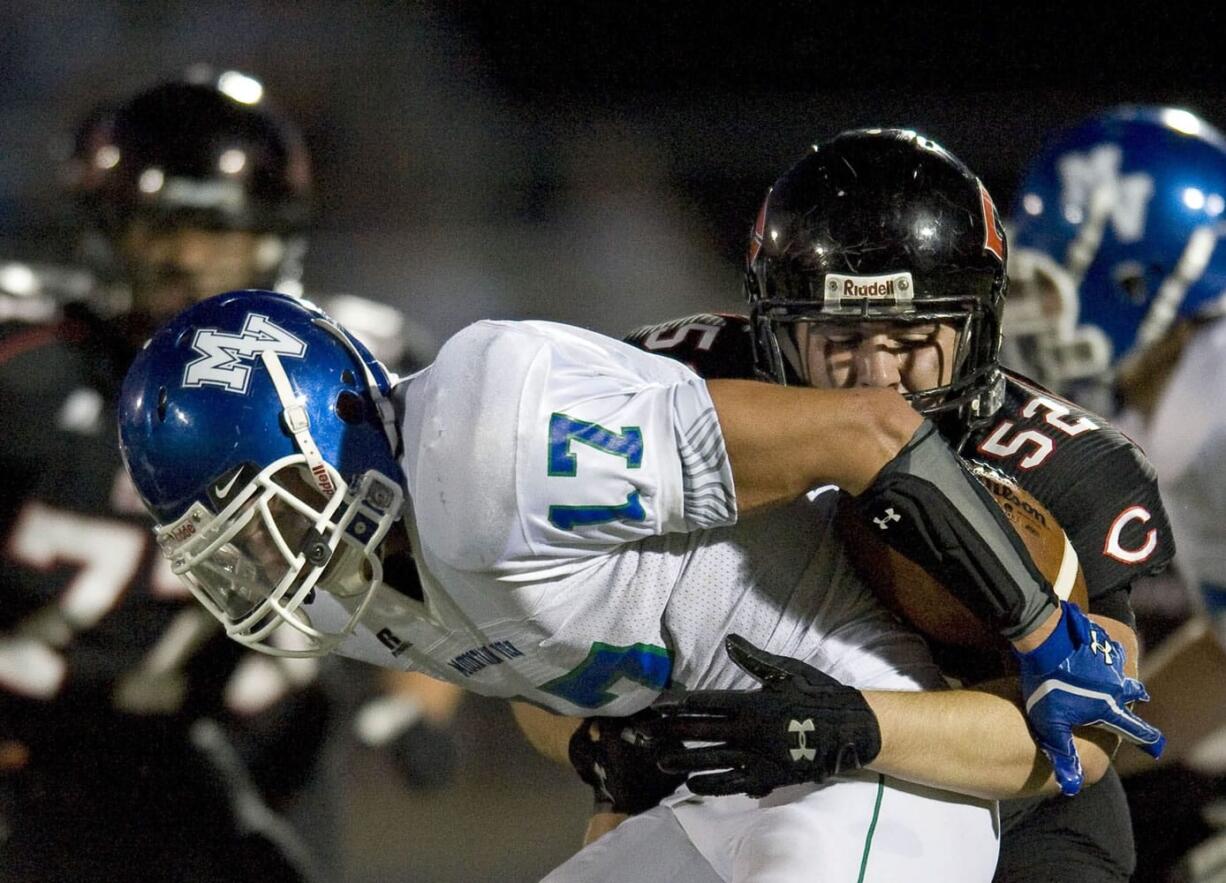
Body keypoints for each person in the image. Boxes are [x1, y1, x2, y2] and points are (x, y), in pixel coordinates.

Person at [114, 251, 1157, 879]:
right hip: (734, 770)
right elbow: (552, 669)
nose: (265, 560)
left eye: (273, 515)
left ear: (342, 426)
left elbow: (870, 428)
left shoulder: (494, 442)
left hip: (865, 742)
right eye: (234, 545)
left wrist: (1038, 631)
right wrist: (607, 761)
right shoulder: (362, 574)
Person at [540, 127, 1173, 882]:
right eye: (839, 334)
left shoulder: (1062, 461)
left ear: (976, 325)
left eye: (910, 335)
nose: (875, 376)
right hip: (729, 793)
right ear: (775, 327)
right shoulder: (684, 391)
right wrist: (601, 741)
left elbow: (1097, 724)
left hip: (1012, 815)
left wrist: (852, 724)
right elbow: (534, 640)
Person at [0, 69, 327, 881]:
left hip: (208, 745)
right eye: (163, 229)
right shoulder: (29, 368)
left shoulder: (327, 385)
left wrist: (410, 704)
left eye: (215, 234)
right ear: (109, 229)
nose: (185, 260)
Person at [1003, 104, 1226, 881]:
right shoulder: (1191, 395)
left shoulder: (1213, 406)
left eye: (1052, 278)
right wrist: (1076, 745)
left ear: (1140, 274)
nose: (1035, 310)